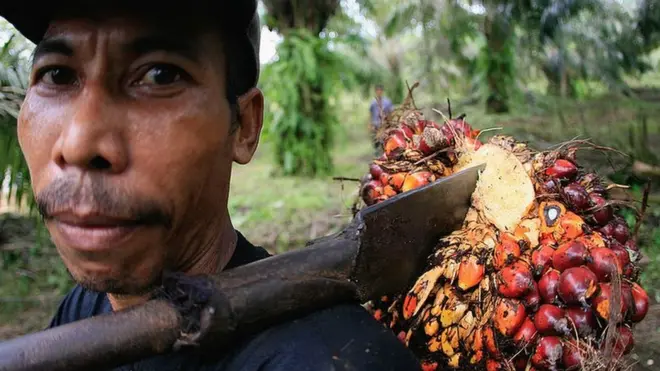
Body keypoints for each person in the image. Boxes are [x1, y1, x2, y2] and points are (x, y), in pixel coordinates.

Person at [0, 3, 421, 371]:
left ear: (245, 127)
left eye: (160, 75)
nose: (78, 144)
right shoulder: (82, 311)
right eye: (56, 75)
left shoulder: (335, 359)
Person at [368, 84, 394, 154]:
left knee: (384, 139)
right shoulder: (372, 102)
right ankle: (376, 152)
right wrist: (370, 124)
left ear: (382, 91)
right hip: (375, 124)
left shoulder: (387, 102)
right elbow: (370, 113)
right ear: (375, 91)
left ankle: (385, 153)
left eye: (380, 90)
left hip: (384, 124)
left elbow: (390, 113)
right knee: (375, 139)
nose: (379, 92)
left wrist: (389, 123)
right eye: (377, 90)